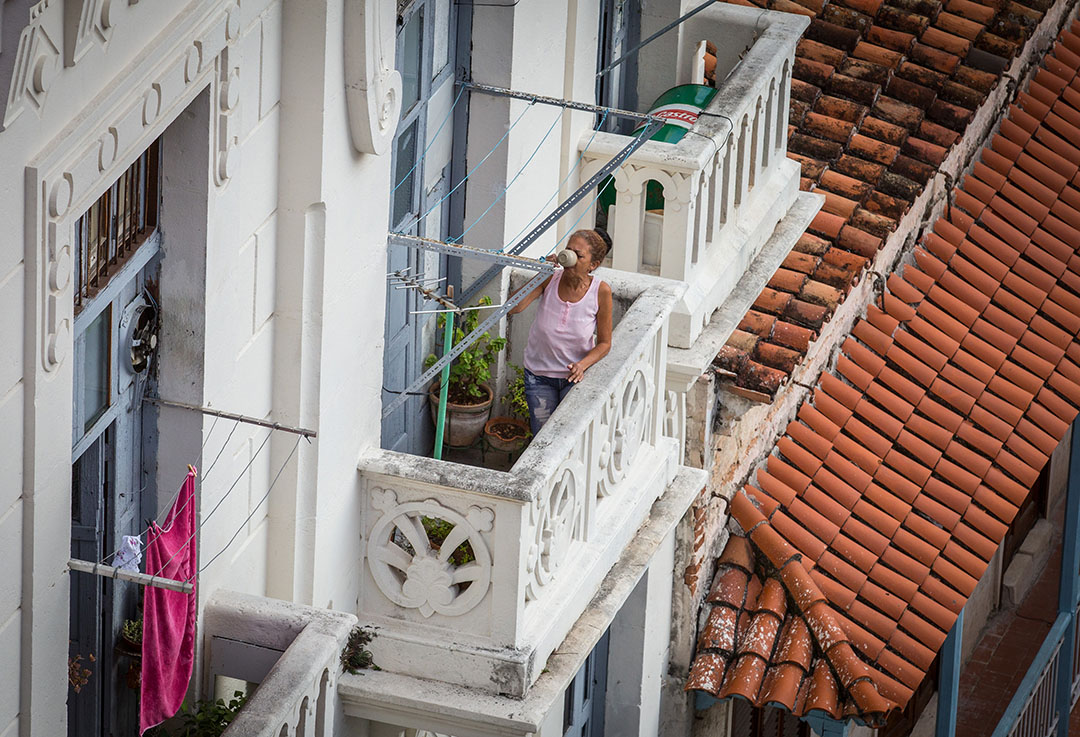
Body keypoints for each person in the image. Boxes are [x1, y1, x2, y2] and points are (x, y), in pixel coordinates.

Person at [509, 228, 614, 435]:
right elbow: (514, 307)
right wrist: (542, 273)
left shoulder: (601, 292)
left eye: (579, 255)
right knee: (541, 436)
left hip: (572, 378)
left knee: (567, 436)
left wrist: (582, 365)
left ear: (593, 265)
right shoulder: (551, 279)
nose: (570, 257)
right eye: (568, 250)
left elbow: (605, 343)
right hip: (538, 375)